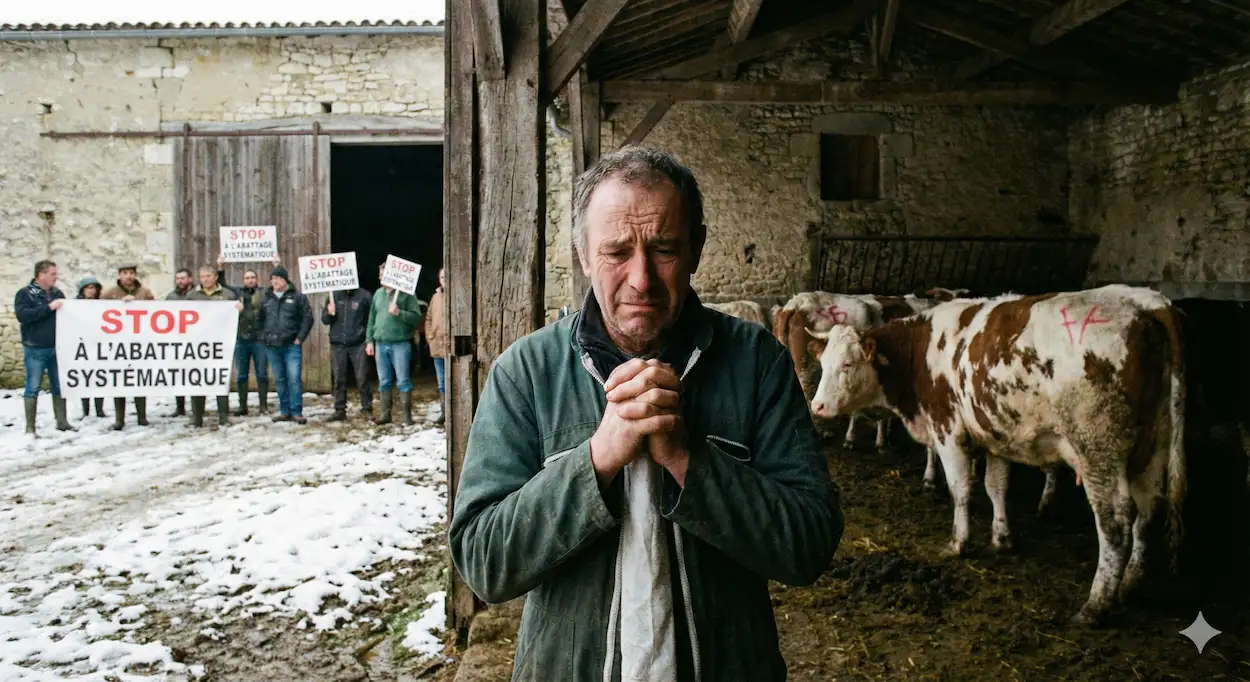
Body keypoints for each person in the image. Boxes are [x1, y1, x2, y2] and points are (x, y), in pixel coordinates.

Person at [449, 146, 843, 682]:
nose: (642, 279)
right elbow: (484, 562)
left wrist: (687, 459)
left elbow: (809, 544)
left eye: (663, 249)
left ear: (696, 247)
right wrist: (596, 460)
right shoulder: (527, 372)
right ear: (583, 255)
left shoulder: (755, 363)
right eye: (616, 251)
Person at [15, 260, 72, 435]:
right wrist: (48, 308)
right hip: (35, 348)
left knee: (59, 385)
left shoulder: (58, 293)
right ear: (41, 275)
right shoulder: (25, 293)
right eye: (53, 274)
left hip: (56, 347)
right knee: (33, 387)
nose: (57, 277)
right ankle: (30, 427)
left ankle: (62, 421)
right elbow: (23, 316)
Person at [218, 254, 277, 415]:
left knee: (262, 374)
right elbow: (222, 285)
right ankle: (242, 406)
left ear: (257, 279)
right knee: (241, 375)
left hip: (260, 340)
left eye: (252, 277)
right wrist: (221, 267)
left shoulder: (264, 292)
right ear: (243, 280)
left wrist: (276, 265)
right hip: (241, 339)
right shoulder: (237, 292)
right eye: (247, 278)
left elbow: (277, 283)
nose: (250, 280)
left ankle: (263, 406)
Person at [366, 264, 424, 426]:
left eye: (383, 274)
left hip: (400, 344)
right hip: (380, 343)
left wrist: (400, 313)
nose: (380, 277)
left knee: (403, 380)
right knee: (384, 380)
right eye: (380, 274)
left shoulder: (406, 294)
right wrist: (369, 340)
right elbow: (371, 318)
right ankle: (385, 415)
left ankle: (406, 417)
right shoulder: (378, 294)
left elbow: (417, 318)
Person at [187, 265, 244, 428]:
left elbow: (236, 318)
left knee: (220, 379)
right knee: (198, 380)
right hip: (198, 344)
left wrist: (238, 310)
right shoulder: (192, 296)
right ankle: (197, 417)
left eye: (208, 276)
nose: (205, 279)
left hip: (220, 343)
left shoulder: (227, 295)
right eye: (202, 276)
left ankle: (223, 416)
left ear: (215, 277)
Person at [101, 265, 156, 430]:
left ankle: (142, 416)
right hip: (118, 345)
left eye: (131, 273)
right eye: (125, 273)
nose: (129, 276)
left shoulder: (144, 293)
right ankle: (120, 418)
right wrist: (120, 305)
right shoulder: (109, 294)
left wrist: (138, 304)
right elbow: (99, 312)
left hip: (139, 343)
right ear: (119, 275)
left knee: (139, 380)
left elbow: (155, 312)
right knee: (120, 382)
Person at [257, 266, 312, 424]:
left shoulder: (298, 297)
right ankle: (284, 411)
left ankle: (296, 412)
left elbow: (308, 318)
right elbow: (259, 320)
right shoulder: (266, 298)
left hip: (291, 346)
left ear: (286, 280)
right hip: (272, 346)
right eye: (273, 278)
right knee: (280, 379)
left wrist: (299, 338)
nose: (275, 281)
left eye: (279, 278)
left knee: (294, 378)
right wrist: (264, 338)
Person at [321, 284, 374, 422]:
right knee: (339, 378)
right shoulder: (334, 294)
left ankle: (367, 408)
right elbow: (325, 320)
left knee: (362, 377)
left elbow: (371, 318)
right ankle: (339, 410)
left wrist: (368, 338)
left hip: (358, 342)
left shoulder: (364, 295)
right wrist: (329, 313)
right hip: (338, 343)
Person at [164, 267, 197, 418]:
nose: (180, 281)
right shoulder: (171, 297)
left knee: (195, 374)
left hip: (195, 339)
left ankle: (197, 407)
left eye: (183, 278)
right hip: (177, 339)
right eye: (178, 278)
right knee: (178, 374)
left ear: (190, 279)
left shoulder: (197, 295)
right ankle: (180, 407)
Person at [75, 276, 107, 420]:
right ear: (82, 290)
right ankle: (85, 410)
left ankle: (99, 409)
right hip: (82, 345)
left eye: (93, 288)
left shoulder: (101, 305)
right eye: (88, 288)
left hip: (98, 345)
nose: (91, 291)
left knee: (99, 378)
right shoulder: (75, 305)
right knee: (84, 379)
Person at [423, 267, 447, 426]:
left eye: (447, 276)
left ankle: (456, 413)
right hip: (437, 346)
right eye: (442, 277)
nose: (444, 279)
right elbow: (429, 318)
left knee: (455, 381)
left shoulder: (458, 294)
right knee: (442, 383)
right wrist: (430, 337)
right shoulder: (435, 297)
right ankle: (445, 413)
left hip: (452, 347)